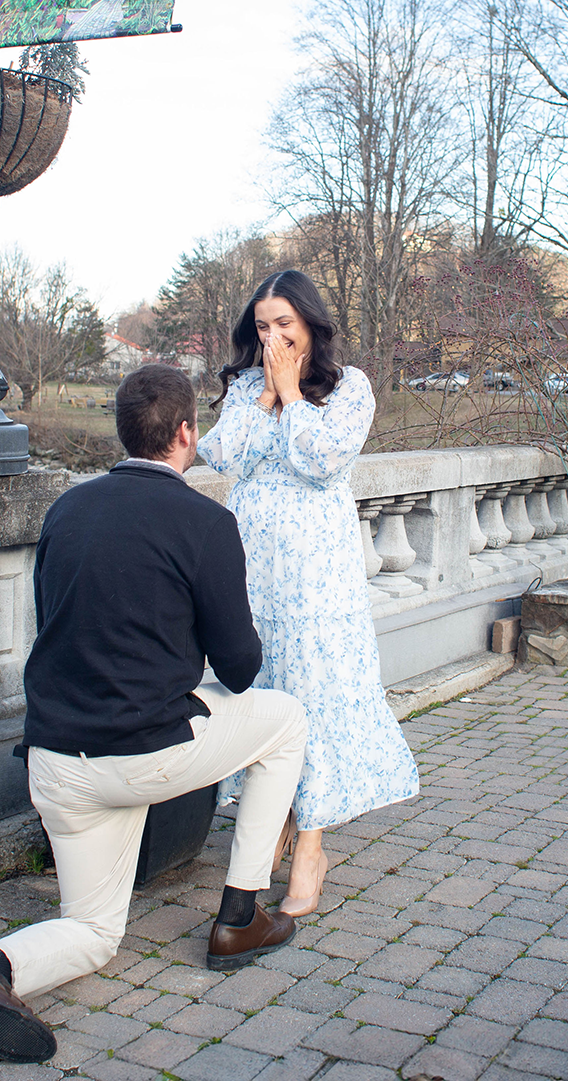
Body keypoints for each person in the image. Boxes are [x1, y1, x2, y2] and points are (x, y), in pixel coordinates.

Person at [0, 363, 309, 1065]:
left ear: (121, 432)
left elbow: (63, 625)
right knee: (284, 721)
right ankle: (241, 915)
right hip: (142, 755)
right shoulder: (208, 523)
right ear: (187, 434)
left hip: (58, 758)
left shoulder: (66, 510)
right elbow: (242, 668)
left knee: (95, 932)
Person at [199, 269, 421, 918]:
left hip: (316, 571)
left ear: (309, 325)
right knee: (259, 686)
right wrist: (264, 398)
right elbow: (218, 456)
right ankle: (273, 820)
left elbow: (323, 461)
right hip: (252, 565)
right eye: (262, 327)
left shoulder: (349, 387)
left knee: (313, 692)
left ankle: (312, 844)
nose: (271, 338)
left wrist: (294, 395)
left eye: (283, 326)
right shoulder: (245, 384)